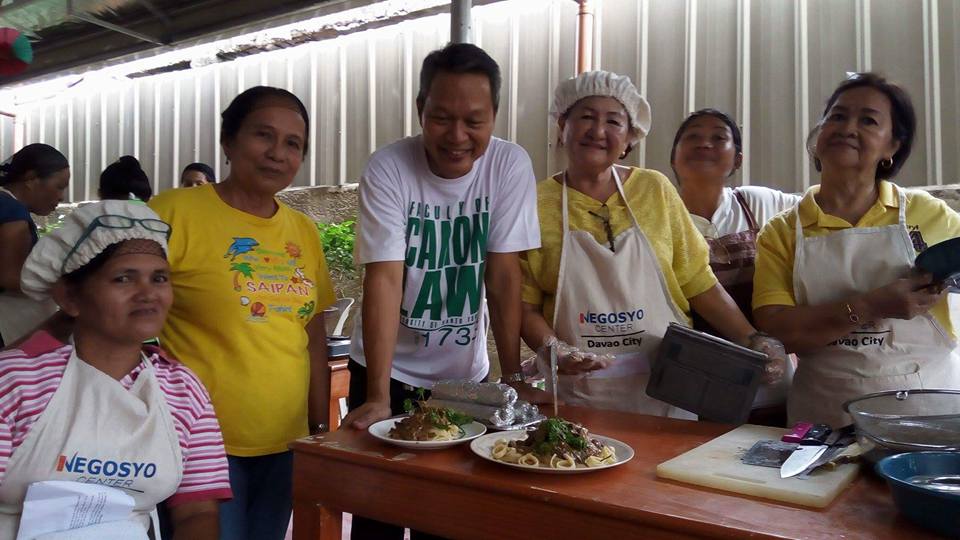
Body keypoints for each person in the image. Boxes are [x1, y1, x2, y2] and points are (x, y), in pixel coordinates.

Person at [342, 42, 542, 540]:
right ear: (419, 110)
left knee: (448, 515)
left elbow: (503, 276)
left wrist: (512, 373)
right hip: (387, 368)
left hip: (461, 380)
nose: (457, 137)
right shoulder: (389, 167)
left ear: (494, 115)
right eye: (441, 118)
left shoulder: (509, 166)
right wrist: (377, 395)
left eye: (474, 121)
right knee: (379, 514)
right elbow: (385, 278)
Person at [520, 71, 787, 416]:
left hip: (670, 390)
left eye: (614, 121)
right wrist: (554, 350)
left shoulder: (654, 190)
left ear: (629, 138)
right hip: (581, 395)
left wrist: (752, 338)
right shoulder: (534, 203)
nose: (598, 131)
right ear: (562, 127)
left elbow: (698, 282)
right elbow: (524, 305)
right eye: (585, 117)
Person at [148, 86, 336, 540]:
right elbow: (119, 307)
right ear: (229, 141)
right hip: (200, 446)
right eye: (263, 135)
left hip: (285, 443)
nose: (278, 153)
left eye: (293, 144)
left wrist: (318, 430)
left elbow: (311, 336)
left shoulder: (303, 230)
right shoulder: (173, 212)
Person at [0, 200, 231, 538]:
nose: (148, 294)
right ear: (69, 297)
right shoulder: (16, 380)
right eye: (124, 278)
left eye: (159, 278)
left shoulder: (182, 388)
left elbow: (196, 511)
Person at [753, 72, 960, 428]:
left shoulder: (931, 215)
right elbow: (779, 330)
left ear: (892, 146)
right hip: (823, 416)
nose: (848, 127)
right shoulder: (783, 230)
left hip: (926, 414)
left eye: (868, 120)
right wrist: (871, 306)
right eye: (837, 116)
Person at [672, 108, 800, 425]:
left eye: (718, 137)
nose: (705, 144)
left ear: (738, 160)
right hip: (693, 383)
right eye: (693, 137)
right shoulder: (660, 214)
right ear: (674, 157)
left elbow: (827, 214)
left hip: (771, 378)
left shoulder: (760, 203)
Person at [0, 143, 70, 347]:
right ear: (31, 180)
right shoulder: (11, 210)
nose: (62, 196)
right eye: (59, 186)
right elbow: (10, 277)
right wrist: (65, 284)